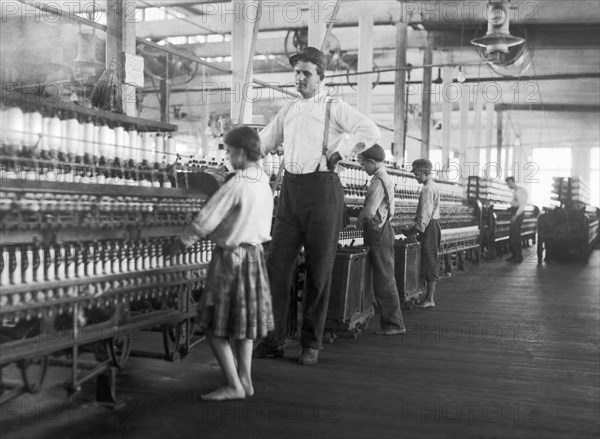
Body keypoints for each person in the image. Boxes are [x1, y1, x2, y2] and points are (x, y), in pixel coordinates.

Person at [255, 46, 380, 365]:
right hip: (290, 193)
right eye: (296, 72)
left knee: (318, 271)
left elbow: (370, 131)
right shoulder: (288, 111)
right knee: (277, 267)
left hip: (323, 192)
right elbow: (263, 143)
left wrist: (342, 153)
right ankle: (273, 339)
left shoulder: (333, 107)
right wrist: (237, 154)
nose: (299, 78)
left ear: (321, 78)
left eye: (306, 73)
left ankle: (311, 343)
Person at [165, 126, 274, 401]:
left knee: (214, 326)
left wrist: (178, 245)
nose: (227, 156)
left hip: (232, 259)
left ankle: (233, 385)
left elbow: (207, 219)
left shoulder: (237, 183)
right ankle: (246, 381)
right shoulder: (262, 179)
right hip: (254, 256)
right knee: (243, 324)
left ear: (239, 150)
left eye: (228, 150)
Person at [356, 144, 406, 335]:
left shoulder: (378, 180)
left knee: (384, 278)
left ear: (371, 162)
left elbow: (369, 212)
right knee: (382, 276)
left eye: (363, 165)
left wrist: (357, 223)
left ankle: (395, 324)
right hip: (383, 231)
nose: (362, 168)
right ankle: (389, 321)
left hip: (377, 232)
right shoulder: (384, 177)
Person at [402, 159, 441, 308]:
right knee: (428, 259)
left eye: (417, 174)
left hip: (429, 227)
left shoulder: (427, 189)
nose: (415, 177)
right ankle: (424, 295)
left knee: (430, 260)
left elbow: (425, 216)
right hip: (432, 226)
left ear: (426, 172)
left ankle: (429, 299)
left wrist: (413, 232)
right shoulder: (431, 185)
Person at [505, 176, 528, 263]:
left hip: (518, 214)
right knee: (513, 235)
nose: (508, 185)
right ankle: (515, 255)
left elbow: (522, 206)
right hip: (515, 212)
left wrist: (515, 216)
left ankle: (518, 256)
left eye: (508, 183)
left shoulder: (520, 191)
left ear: (512, 182)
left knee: (516, 235)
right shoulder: (516, 192)